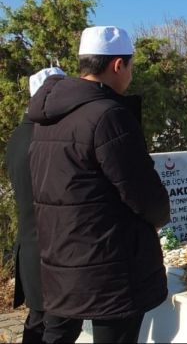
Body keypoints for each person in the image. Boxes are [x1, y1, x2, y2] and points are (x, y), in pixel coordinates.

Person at [27, 26, 171, 343]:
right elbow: (143, 192)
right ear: (117, 65)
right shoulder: (107, 115)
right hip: (109, 264)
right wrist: (161, 217)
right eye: (130, 67)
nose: (130, 75)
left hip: (61, 256)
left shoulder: (47, 117)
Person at [6, 67, 80, 343]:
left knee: (37, 324)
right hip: (53, 256)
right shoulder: (47, 138)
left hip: (30, 250)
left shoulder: (18, 137)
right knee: (58, 330)